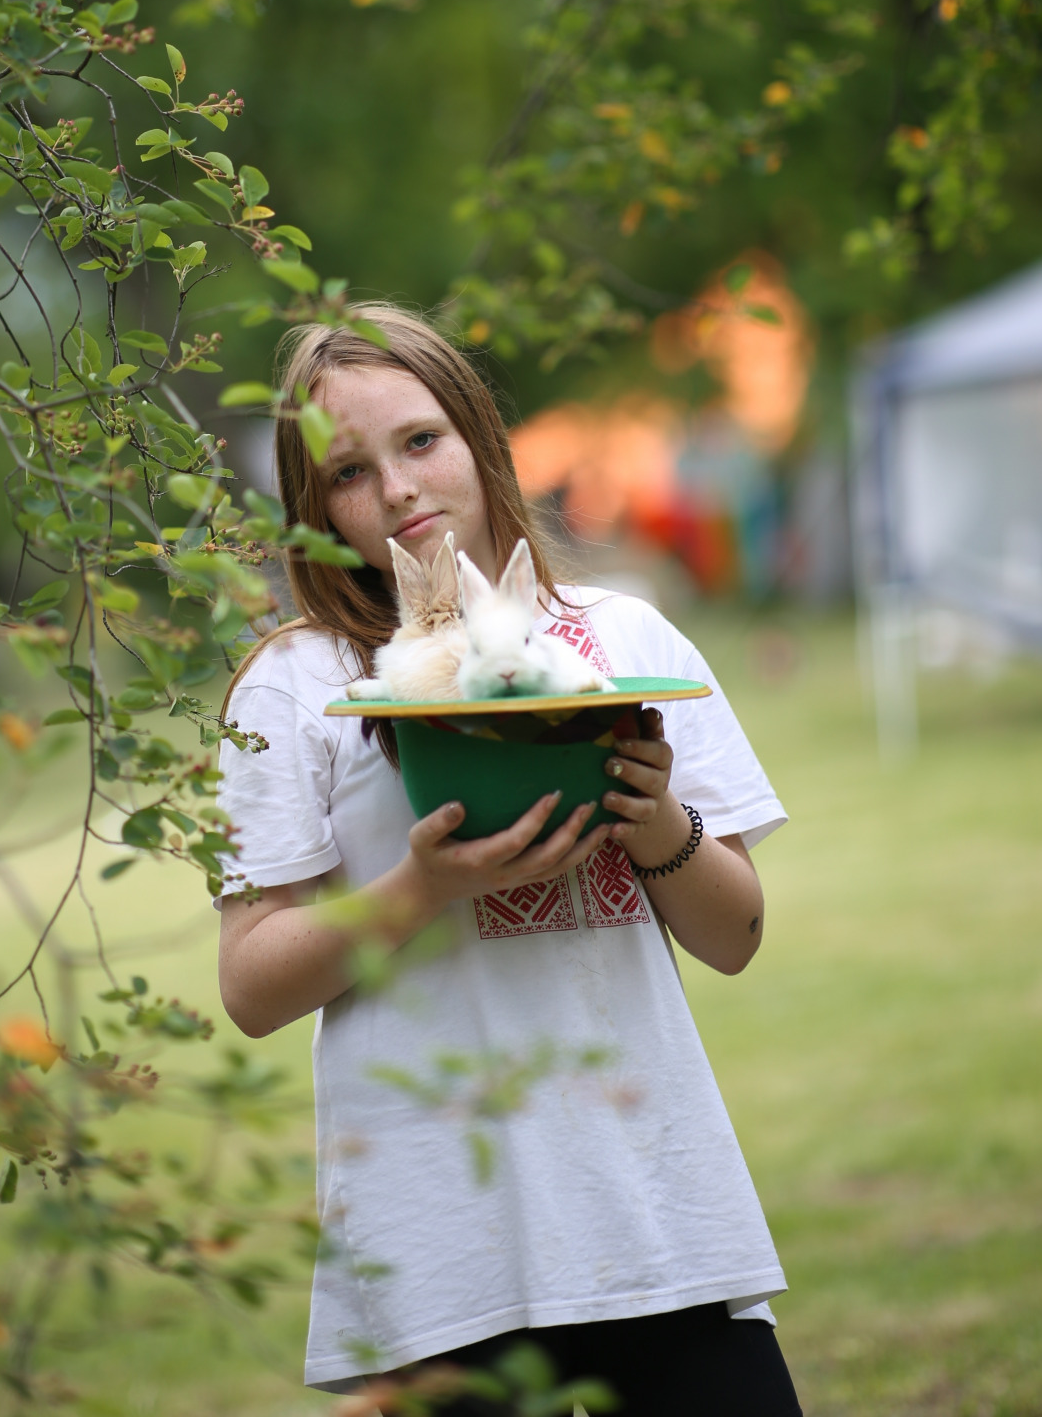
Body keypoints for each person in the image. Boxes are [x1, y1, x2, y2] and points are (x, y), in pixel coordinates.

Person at [215, 306, 802, 1417]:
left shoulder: (623, 643)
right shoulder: (295, 687)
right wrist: (418, 888)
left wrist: (654, 816)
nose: (395, 489)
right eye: (349, 471)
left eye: (420, 441)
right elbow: (250, 987)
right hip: (441, 1254)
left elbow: (734, 936)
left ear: (481, 440)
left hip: (658, 1218)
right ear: (314, 509)